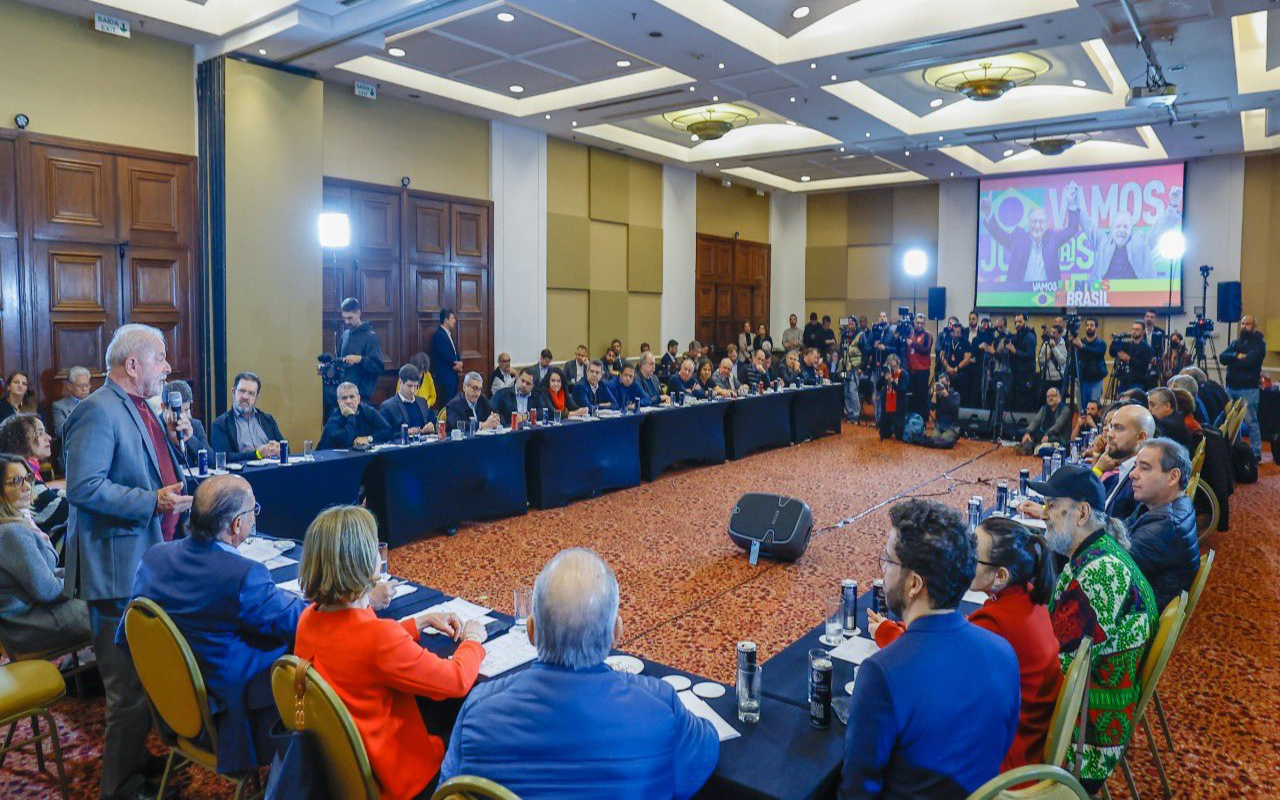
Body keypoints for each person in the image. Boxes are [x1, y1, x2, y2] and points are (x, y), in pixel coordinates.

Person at [441, 548, 718, 796]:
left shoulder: (478, 708)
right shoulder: (659, 705)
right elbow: (703, 754)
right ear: (616, 634)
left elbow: (451, 791)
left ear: (531, 631)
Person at [64, 323, 194, 799]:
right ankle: (118, 788)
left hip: (144, 561)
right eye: (160, 358)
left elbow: (152, 468)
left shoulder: (140, 407)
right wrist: (151, 501)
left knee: (145, 679)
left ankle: (138, 763)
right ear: (133, 364)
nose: (167, 366)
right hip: (114, 572)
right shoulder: (96, 411)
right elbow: (83, 488)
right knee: (126, 691)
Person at [120, 475, 323, 775]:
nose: (255, 518)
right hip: (230, 714)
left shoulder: (154, 557)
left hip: (174, 701)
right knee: (317, 660)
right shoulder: (243, 576)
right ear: (235, 525)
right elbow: (300, 621)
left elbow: (126, 635)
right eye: (254, 511)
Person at [294, 505, 487, 800]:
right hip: (400, 781)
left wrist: (418, 622)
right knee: (477, 725)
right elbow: (456, 680)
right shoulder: (378, 639)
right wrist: (473, 640)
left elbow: (355, 644)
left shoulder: (309, 617)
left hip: (342, 773)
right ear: (361, 562)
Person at [842, 499, 1018, 797]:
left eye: (888, 561)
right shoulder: (1004, 652)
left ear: (913, 584)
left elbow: (857, 791)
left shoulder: (882, 672)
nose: (883, 572)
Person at [868, 515, 1061, 772]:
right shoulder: (1025, 597)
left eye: (973, 555)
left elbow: (929, 663)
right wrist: (908, 628)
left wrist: (887, 633)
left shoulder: (997, 621)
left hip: (1004, 761)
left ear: (1000, 575)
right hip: (1027, 739)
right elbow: (953, 639)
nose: (963, 559)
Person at [1032, 465, 1157, 793]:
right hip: (1096, 708)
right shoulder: (1098, 553)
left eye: (1052, 505)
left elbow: (1055, 668)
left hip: (1085, 737)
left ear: (1082, 512)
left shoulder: (1099, 574)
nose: (1044, 515)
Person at [0, 454, 90, 655]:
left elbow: (48, 576)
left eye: (27, 478)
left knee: (112, 594)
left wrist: (83, 573)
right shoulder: (10, 533)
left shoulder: (12, 526)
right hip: (33, 627)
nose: (26, 487)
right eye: (16, 481)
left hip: (32, 621)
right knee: (114, 604)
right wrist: (84, 580)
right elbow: (47, 590)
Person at [1125, 439, 1200, 611]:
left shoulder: (1164, 527)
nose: (1133, 474)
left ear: (1173, 477)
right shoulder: (1164, 505)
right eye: (1135, 466)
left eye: (1144, 468)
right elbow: (1120, 530)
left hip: (1137, 616)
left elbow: (1110, 569)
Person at [1078, 184, 1182, 282]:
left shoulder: (1142, 241)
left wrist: (1173, 204)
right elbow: (1088, 225)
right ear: (1111, 229)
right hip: (1105, 298)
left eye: (1126, 227)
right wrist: (1074, 202)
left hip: (1138, 297)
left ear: (1131, 230)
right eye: (1118, 226)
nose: (1122, 230)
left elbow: (1160, 227)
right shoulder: (1103, 242)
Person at [980, 184, 1081, 283]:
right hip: (1019, 296)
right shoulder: (1018, 239)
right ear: (1029, 223)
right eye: (1034, 221)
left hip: (1049, 296)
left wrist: (1071, 202)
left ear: (1046, 224)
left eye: (1041, 222)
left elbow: (1072, 228)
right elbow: (999, 234)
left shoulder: (1052, 239)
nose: (1037, 226)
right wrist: (988, 213)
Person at [0, 414, 68, 534]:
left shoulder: (31, 471)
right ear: (19, 440)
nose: (49, 438)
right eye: (40, 433)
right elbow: (63, 511)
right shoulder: (22, 479)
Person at [323, 297, 384, 420]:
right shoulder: (345, 334)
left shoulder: (371, 337)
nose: (346, 322)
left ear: (358, 313)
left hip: (360, 398)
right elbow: (339, 362)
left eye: (350, 318)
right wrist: (327, 369)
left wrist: (360, 359)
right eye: (344, 318)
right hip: (341, 395)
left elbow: (378, 367)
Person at [1095, 404, 1156, 520]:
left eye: (1119, 428)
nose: (1109, 434)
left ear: (1140, 437)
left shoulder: (1139, 483)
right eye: (1111, 426)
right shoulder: (1122, 470)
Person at [210, 372, 285, 464]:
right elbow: (223, 457)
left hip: (271, 471)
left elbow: (286, 450)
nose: (245, 397)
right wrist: (257, 454)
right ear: (233, 392)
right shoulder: (221, 424)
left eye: (251, 394)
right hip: (241, 475)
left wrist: (279, 449)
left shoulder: (268, 419)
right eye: (242, 391)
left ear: (256, 398)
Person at [1219, 314, 1265, 459]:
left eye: (1247, 324)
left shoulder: (1259, 344)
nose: (1244, 326)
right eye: (1243, 323)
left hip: (1248, 389)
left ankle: (1256, 453)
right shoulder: (1236, 342)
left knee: (1251, 422)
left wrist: (1234, 358)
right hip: (1231, 387)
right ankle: (1236, 449)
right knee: (1232, 421)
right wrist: (1237, 356)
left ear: (1254, 326)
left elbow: (1250, 362)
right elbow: (1222, 358)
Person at [320, 382, 394, 449]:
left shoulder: (368, 411)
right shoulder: (334, 418)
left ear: (358, 399)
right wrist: (350, 416)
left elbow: (389, 432)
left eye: (352, 397)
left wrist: (368, 438)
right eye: (344, 398)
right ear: (338, 401)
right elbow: (346, 442)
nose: (348, 401)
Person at [160, 379, 210, 465]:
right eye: (177, 411)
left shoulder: (195, 425)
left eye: (186, 410)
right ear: (163, 407)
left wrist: (189, 438)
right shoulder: (153, 426)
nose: (182, 416)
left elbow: (211, 461)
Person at [380, 364, 437, 436]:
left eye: (415, 386)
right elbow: (383, 434)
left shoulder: (422, 402)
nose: (413, 390)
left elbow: (431, 419)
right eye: (409, 386)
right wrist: (404, 433)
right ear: (400, 382)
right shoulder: (388, 406)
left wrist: (431, 425)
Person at [1020, 386, 1071, 456]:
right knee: (1022, 432)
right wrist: (1027, 432)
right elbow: (1036, 421)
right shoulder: (1044, 408)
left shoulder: (1065, 409)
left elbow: (1058, 425)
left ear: (1059, 397)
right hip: (1043, 434)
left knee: (1052, 440)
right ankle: (1031, 447)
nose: (1050, 398)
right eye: (1048, 396)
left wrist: (1048, 434)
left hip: (1058, 436)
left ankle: (1036, 448)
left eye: (1053, 396)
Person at [430, 308, 464, 409]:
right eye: (452, 318)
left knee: (453, 404)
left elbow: (455, 352)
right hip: (446, 377)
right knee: (447, 405)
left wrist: (460, 362)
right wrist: (456, 364)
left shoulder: (448, 334)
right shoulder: (439, 335)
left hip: (452, 376)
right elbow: (445, 355)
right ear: (446, 320)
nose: (454, 320)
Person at [1110, 321, 1155, 396]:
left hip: (1138, 382)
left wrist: (1128, 359)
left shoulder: (1147, 348)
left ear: (1143, 331)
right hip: (1124, 380)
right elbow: (1112, 353)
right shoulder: (1127, 345)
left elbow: (1143, 366)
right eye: (1133, 329)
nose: (1134, 331)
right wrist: (1115, 341)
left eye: (1137, 329)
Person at [1070, 318, 1108, 405]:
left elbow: (1098, 353)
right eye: (1087, 325)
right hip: (1082, 379)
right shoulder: (1080, 342)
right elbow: (1073, 358)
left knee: (1093, 406)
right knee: (1082, 407)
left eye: (1091, 325)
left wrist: (1082, 347)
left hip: (1096, 380)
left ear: (1096, 327)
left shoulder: (1101, 343)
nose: (1089, 327)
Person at [1147, 387, 1196, 452]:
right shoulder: (1177, 418)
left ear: (1167, 406)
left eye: (1153, 405)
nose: (1149, 409)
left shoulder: (1167, 425)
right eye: (1149, 405)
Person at [1007, 314, 1038, 412]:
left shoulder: (1030, 336)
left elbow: (1030, 355)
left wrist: (1015, 351)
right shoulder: (1018, 336)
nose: (1017, 324)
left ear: (1026, 321)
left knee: (1024, 401)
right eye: (1016, 322)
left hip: (1026, 374)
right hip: (1017, 373)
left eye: (1020, 322)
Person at [52, 365, 92, 441]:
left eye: (86, 385)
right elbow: (59, 432)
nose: (84, 389)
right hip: (73, 446)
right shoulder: (59, 406)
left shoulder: (96, 402)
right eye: (80, 385)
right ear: (70, 386)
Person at [905, 314, 933, 418]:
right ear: (914, 323)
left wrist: (912, 344)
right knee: (912, 396)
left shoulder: (927, 335)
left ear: (924, 324)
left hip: (923, 370)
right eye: (918, 323)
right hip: (911, 370)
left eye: (922, 323)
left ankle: (922, 420)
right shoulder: (910, 334)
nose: (920, 325)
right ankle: (912, 418)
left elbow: (925, 349)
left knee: (922, 397)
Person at [878, 354, 908, 441]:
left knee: (899, 436)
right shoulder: (887, 374)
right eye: (891, 366)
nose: (893, 369)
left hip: (897, 408)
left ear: (898, 365)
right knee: (883, 434)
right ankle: (890, 429)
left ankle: (896, 428)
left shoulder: (904, 375)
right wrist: (883, 376)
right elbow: (877, 387)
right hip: (887, 408)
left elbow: (902, 390)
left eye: (894, 366)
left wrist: (892, 381)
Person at [1038, 324, 1068, 395]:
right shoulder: (1046, 343)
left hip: (1059, 379)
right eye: (1051, 332)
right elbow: (1040, 360)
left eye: (1054, 333)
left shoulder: (1064, 344)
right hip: (1047, 378)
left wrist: (1054, 348)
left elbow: (1063, 361)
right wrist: (1046, 358)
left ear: (1060, 334)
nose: (1052, 334)